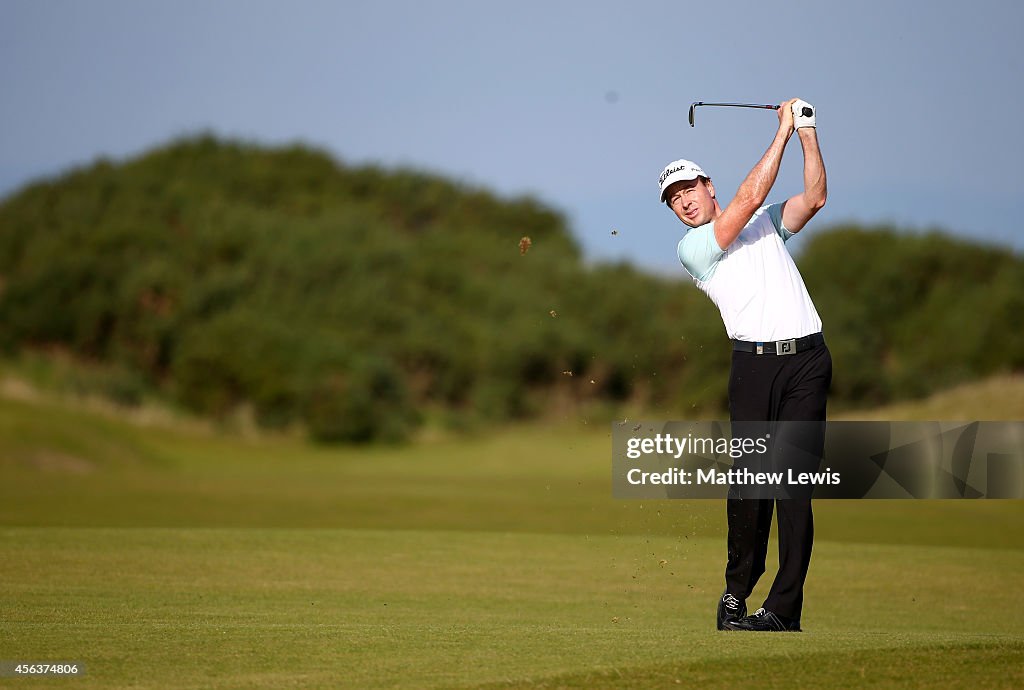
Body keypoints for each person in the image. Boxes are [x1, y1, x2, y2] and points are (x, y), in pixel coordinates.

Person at [658, 98, 831, 632]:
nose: (684, 202)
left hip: (807, 361)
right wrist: (780, 129)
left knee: (793, 488)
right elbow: (749, 194)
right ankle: (736, 591)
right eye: (673, 199)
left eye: (689, 189)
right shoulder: (697, 248)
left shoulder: (765, 224)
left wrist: (806, 131)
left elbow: (816, 197)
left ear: (708, 187)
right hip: (753, 369)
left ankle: (783, 611)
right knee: (752, 486)